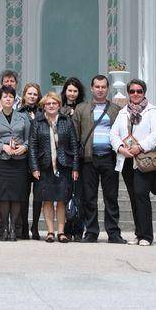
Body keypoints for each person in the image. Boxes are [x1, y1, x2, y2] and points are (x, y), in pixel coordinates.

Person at [73, 75, 126, 244]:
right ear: (92, 88)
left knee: (111, 197)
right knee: (89, 198)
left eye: (103, 87)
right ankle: (91, 232)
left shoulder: (116, 110)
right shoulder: (81, 109)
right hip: (89, 159)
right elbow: (75, 136)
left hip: (109, 158)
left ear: (108, 89)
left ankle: (113, 233)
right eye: (97, 87)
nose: (100, 90)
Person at [110, 79, 156, 246]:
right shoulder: (123, 112)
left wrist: (140, 147)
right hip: (127, 160)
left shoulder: (152, 111)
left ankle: (147, 236)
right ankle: (139, 234)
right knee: (133, 197)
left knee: (141, 194)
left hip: (144, 159)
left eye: (139, 91)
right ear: (128, 93)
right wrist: (120, 148)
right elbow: (113, 134)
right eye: (132, 91)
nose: (135, 94)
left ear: (144, 93)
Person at [29, 92, 79, 243]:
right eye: (48, 103)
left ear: (59, 105)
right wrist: (34, 168)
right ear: (44, 106)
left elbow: (74, 145)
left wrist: (75, 167)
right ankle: (50, 231)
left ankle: (61, 232)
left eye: (54, 103)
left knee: (62, 200)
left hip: (64, 165)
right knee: (47, 200)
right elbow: (32, 146)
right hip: (44, 166)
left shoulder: (66, 121)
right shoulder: (37, 122)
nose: (51, 106)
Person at [0, 85, 31, 242]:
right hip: (1, 162)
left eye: (11, 97)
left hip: (19, 162)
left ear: (14, 99)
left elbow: (30, 139)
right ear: (0, 100)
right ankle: (4, 228)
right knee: (3, 196)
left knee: (16, 196)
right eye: (5, 96)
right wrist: (2, 147)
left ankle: (13, 229)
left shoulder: (23, 117)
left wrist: (24, 147)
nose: (8, 99)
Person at [59, 76, 85, 240]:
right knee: (66, 193)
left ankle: (79, 229)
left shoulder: (83, 108)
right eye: (70, 90)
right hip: (64, 155)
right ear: (65, 91)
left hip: (79, 155)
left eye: (75, 91)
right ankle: (67, 229)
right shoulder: (59, 108)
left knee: (79, 194)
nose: (72, 94)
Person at [17, 82, 41, 240]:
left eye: (35, 94)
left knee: (38, 195)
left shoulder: (43, 112)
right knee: (23, 195)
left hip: (40, 158)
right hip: (23, 159)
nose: (32, 96)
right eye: (29, 93)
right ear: (24, 95)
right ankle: (24, 226)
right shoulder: (18, 113)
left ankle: (35, 226)